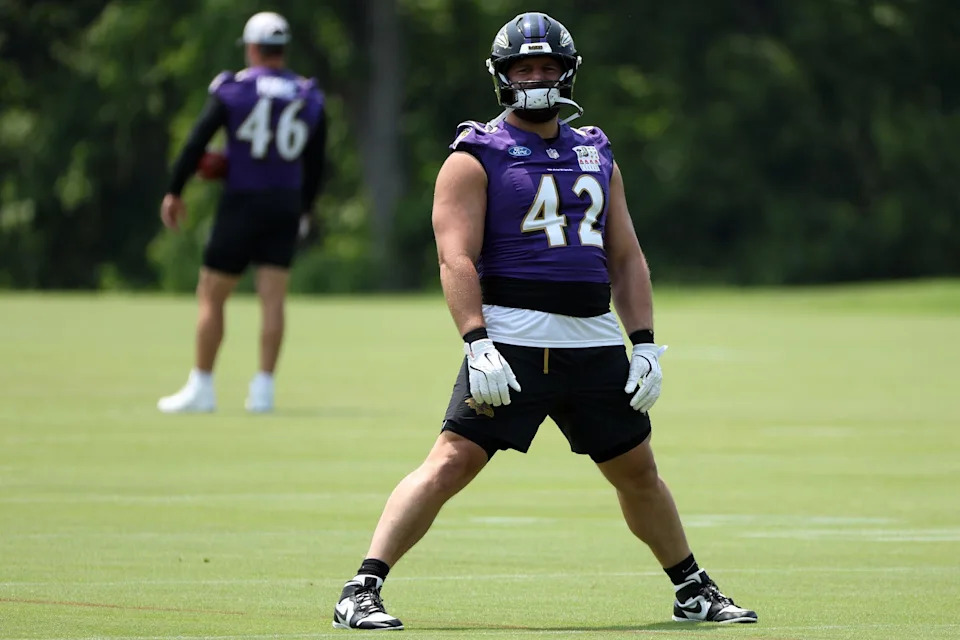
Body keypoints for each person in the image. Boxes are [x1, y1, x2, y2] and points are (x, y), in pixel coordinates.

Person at [331, 11, 757, 631]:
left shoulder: (597, 151)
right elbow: (455, 258)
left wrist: (644, 344)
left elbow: (625, 256)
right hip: (515, 341)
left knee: (638, 472)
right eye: (524, 68)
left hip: (593, 342)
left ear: (568, 72)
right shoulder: (475, 154)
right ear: (502, 76)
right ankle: (361, 588)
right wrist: (476, 341)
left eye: (547, 67)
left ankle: (692, 589)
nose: (536, 77)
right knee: (452, 461)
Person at [157, 11, 326, 414]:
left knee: (212, 293)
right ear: (283, 50)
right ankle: (263, 391)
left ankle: (202, 386)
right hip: (285, 203)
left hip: (242, 201)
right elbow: (316, 164)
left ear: (252, 48)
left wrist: (175, 189)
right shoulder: (307, 94)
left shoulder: (234, 89)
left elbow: (196, 141)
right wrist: (305, 209)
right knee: (273, 297)